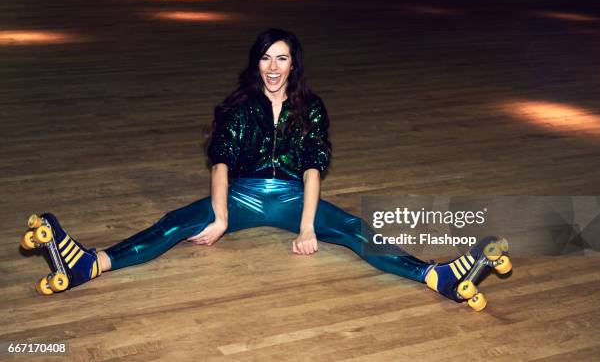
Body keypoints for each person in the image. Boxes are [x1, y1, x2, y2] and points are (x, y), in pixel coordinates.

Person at [21, 28, 511, 311]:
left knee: (358, 232)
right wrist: (219, 217)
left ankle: (436, 277)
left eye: (282, 59)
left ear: (294, 65)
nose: (273, 67)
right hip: (242, 195)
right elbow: (221, 162)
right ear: (256, 63)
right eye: (265, 58)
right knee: (173, 223)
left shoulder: (311, 107)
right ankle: (89, 263)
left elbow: (314, 168)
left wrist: (306, 228)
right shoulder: (238, 106)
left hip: (296, 197)